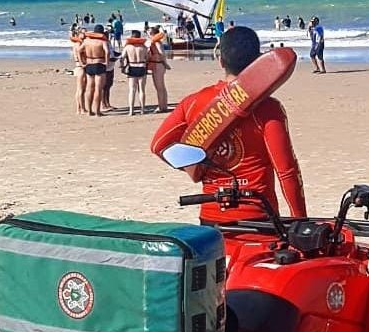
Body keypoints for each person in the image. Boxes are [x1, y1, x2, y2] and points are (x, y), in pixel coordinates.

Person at [151, 25, 307, 226]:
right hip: (259, 218)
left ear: (220, 60)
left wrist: (193, 166)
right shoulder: (269, 108)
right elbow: (286, 171)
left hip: (211, 218)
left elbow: (158, 146)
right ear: (258, 62)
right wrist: (301, 220)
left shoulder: (192, 103)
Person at [78, 24, 111, 116]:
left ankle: (89, 111)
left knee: (89, 88)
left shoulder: (87, 41)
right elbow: (107, 52)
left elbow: (79, 51)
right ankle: (97, 111)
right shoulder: (102, 41)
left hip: (89, 64)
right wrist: (107, 62)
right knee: (98, 89)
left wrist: (81, 62)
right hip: (99, 63)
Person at [121, 30, 149, 115]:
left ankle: (131, 110)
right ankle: (142, 110)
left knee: (132, 90)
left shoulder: (128, 47)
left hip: (132, 67)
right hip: (141, 66)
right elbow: (147, 58)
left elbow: (122, 58)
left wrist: (123, 67)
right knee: (142, 90)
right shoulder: (143, 47)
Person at [147, 28, 171, 113]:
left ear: (152, 33)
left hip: (158, 64)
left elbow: (161, 53)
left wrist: (165, 63)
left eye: (149, 32)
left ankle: (161, 107)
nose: (148, 34)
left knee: (159, 87)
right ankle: (164, 105)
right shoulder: (156, 42)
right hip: (159, 64)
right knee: (161, 87)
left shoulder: (156, 42)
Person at [71, 28, 87, 114]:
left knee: (80, 89)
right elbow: (78, 54)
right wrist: (82, 63)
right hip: (80, 67)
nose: (85, 35)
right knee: (81, 89)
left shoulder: (78, 44)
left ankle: (79, 108)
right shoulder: (78, 44)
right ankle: (81, 109)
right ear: (79, 34)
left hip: (79, 67)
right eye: (83, 33)